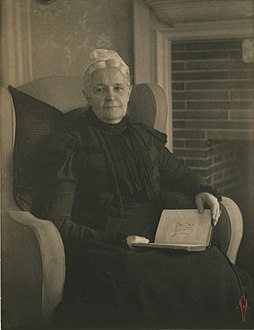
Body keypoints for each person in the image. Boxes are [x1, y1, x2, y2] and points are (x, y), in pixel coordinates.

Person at [45, 49, 253, 329]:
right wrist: (118, 240)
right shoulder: (72, 143)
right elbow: (60, 222)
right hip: (106, 245)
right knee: (145, 279)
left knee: (210, 262)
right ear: (88, 95)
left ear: (128, 92)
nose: (110, 96)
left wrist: (202, 189)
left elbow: (180, 173)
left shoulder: (142, 137)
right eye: (100, 89)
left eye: (118, 87)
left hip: (156, 234)